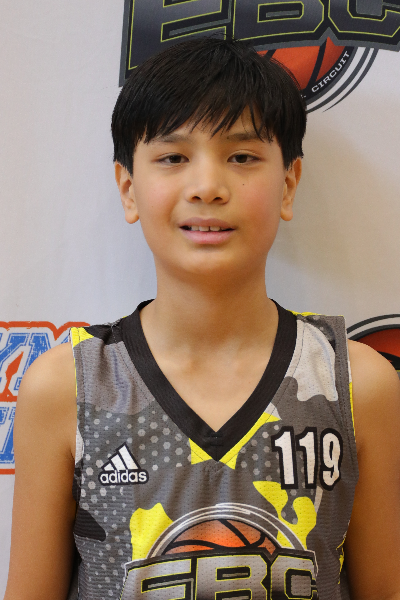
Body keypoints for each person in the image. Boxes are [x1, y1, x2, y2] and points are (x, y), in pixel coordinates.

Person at [4, 37, 400, 600]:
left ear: (288, 184)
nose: (208, 187)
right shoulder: (67, 388)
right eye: (173, 157)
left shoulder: (357, 384)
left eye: (242, 157)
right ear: (128, 188)